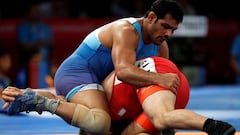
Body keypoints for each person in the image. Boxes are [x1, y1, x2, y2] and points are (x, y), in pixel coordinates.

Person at [3, 0, 183, 134]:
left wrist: (162, 118)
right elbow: (123, 71)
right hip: (77, 73)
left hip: (103, 84)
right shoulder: (126, 29)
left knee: (111, 127)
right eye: (165, 26)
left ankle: (38, 96)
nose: (168, 34)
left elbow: (152, 89)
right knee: (100, 123)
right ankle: (40, 102)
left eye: (173, 30)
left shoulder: (161, 47)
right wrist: (159, 78)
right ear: (151, 17)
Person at [1, 57, 236, 135]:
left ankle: (216, 127)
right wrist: (25, 94)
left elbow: (61, 98)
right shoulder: (100, 108)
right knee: (157, 121)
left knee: (162, 118)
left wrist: (26, 94)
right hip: (158, 84)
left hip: (154, 75)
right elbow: (60, 98)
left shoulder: (93, 101)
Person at [16, 1, 55, 88]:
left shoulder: (45, 27)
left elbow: (51, 43)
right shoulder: (22, 27)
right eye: (33, 11)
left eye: (37, 11)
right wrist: (41, 43)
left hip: (45, 63)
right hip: (28, 64)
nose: (36, 13)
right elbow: (24, 46)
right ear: (28, 12)